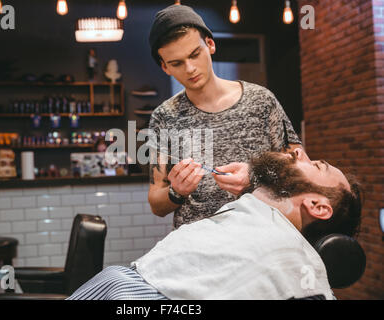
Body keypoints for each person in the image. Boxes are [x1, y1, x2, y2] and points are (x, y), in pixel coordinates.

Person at [67, 149, 362, 300]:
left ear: (319, 207)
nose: (299, 153)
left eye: (317, 165)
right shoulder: (256, 211)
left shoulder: (294, 263)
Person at [147, 4, 305, 229]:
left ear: (210, 44)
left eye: (195, 54)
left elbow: (300, 169)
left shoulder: (261, 101)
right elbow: (156, 202)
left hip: (262, 236)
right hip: (197, 247)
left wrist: (254, 177)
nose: (190, 68)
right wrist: (176, 192)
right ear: (165, 68)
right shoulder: (163, 118)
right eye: (177, 63)